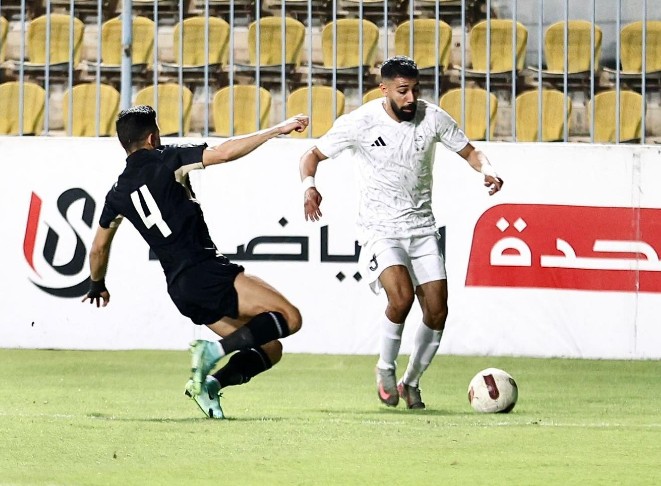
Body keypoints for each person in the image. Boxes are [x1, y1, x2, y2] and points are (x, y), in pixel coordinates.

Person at [299, 56, 503, 410]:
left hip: (422, 229)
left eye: (415, 90)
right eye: (402, 91)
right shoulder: (361, 122)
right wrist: (309, 187)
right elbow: (310, 156)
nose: (410, 98)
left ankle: (411, 382)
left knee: (437, 312)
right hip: (380, 229)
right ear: (385, 89)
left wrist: (487, 169)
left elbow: (471, 151)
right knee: (402, 298)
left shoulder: (433, 117)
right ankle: (385, 368)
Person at [83, 105, 309, 419]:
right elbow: (224, 153)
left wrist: (97, 284)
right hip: (206, 271)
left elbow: (98, 249)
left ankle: (210, 386)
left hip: (181, 289)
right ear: (153, 137)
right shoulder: (168, 159)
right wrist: (276, 130)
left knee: (270, 348)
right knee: (290, 318)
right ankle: (212, 351)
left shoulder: (117, 193)